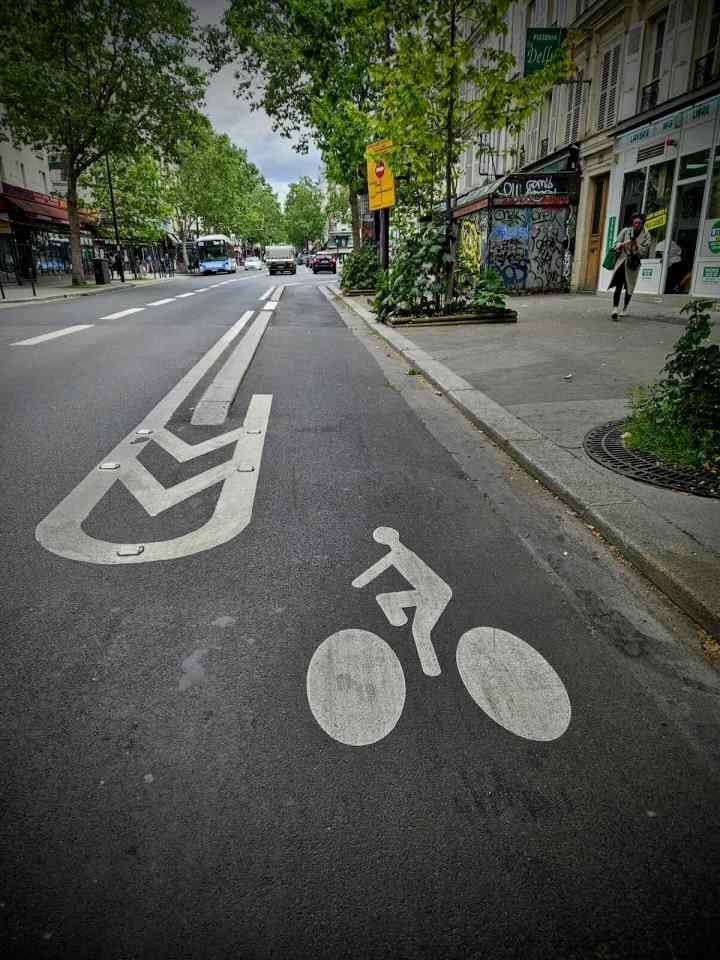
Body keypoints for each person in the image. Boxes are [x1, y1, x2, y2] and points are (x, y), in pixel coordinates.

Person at [608, 213, 651, 320]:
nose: (637, 225)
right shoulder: (626, 231)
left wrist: (636, 244)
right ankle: (615, 309)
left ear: (643, 224)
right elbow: (616, 243)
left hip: (633, 263)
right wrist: (622, 244)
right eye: (635, 223)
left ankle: (625, 308)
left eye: (640, 223)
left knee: (629, 287)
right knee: (618, 285)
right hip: (622, 261)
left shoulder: (646, 235)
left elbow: (644, 251)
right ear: (632, 223)